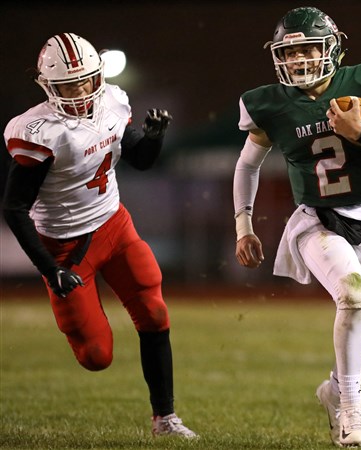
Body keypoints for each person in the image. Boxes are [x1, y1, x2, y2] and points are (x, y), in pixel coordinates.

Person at [232, 6, 361, 447]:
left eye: (307, 49)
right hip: (317, 219)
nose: (298, 59)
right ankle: (352, 408)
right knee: (351, 297)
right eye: (289, 52)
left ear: (331, 48)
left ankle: (334, 389)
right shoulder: (270, 103)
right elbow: (246, 165)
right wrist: (244, 225)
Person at [3, 33, 195, 437]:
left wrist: (154, 138)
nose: (79, 92)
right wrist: (50, 268)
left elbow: (140, 160)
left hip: (114, 225)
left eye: (85, 81)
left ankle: (165, 418)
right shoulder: (39, 131)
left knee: (155, 312)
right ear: (48, 87)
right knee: (95, 355)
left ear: (98, 77)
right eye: (67, 86)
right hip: (65, 247)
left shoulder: (113, 101)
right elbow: (14, 208)